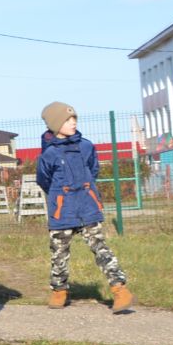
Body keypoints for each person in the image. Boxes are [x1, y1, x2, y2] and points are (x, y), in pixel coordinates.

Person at [36, 102, 133, 312]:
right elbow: (44, 180)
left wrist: (85, 190)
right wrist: (60, 196)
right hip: (62, 211)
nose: (73, 123)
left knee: (101, 248)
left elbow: (93, 169)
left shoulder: (87, 146)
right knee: (59, 253)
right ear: (55, 125)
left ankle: (119, 289)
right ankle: (59, 291)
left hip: (88, 207)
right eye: (67, 120)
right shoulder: (49, 154)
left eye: (74, 119)